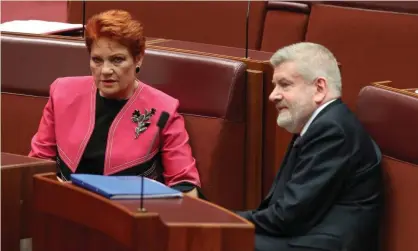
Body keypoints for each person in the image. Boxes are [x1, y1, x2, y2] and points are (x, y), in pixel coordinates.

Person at [29, 9, 202, 197]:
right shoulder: (62, 93)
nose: (105, 70)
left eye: (117, 60)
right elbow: (38, 164)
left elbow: (185, 184)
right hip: (64, 208)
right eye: (97, 60)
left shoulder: (163, 109)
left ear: (138, 59)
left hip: (131, 216)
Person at [237, 42, 383, 251]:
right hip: (307, 235)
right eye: (275, 85)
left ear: (319, 88)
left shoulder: (333, 131)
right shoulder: (321, 124)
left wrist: (226, 221)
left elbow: (288, 216)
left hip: (324, 243)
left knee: (219, 242)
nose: (273, 95)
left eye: (284, 85)